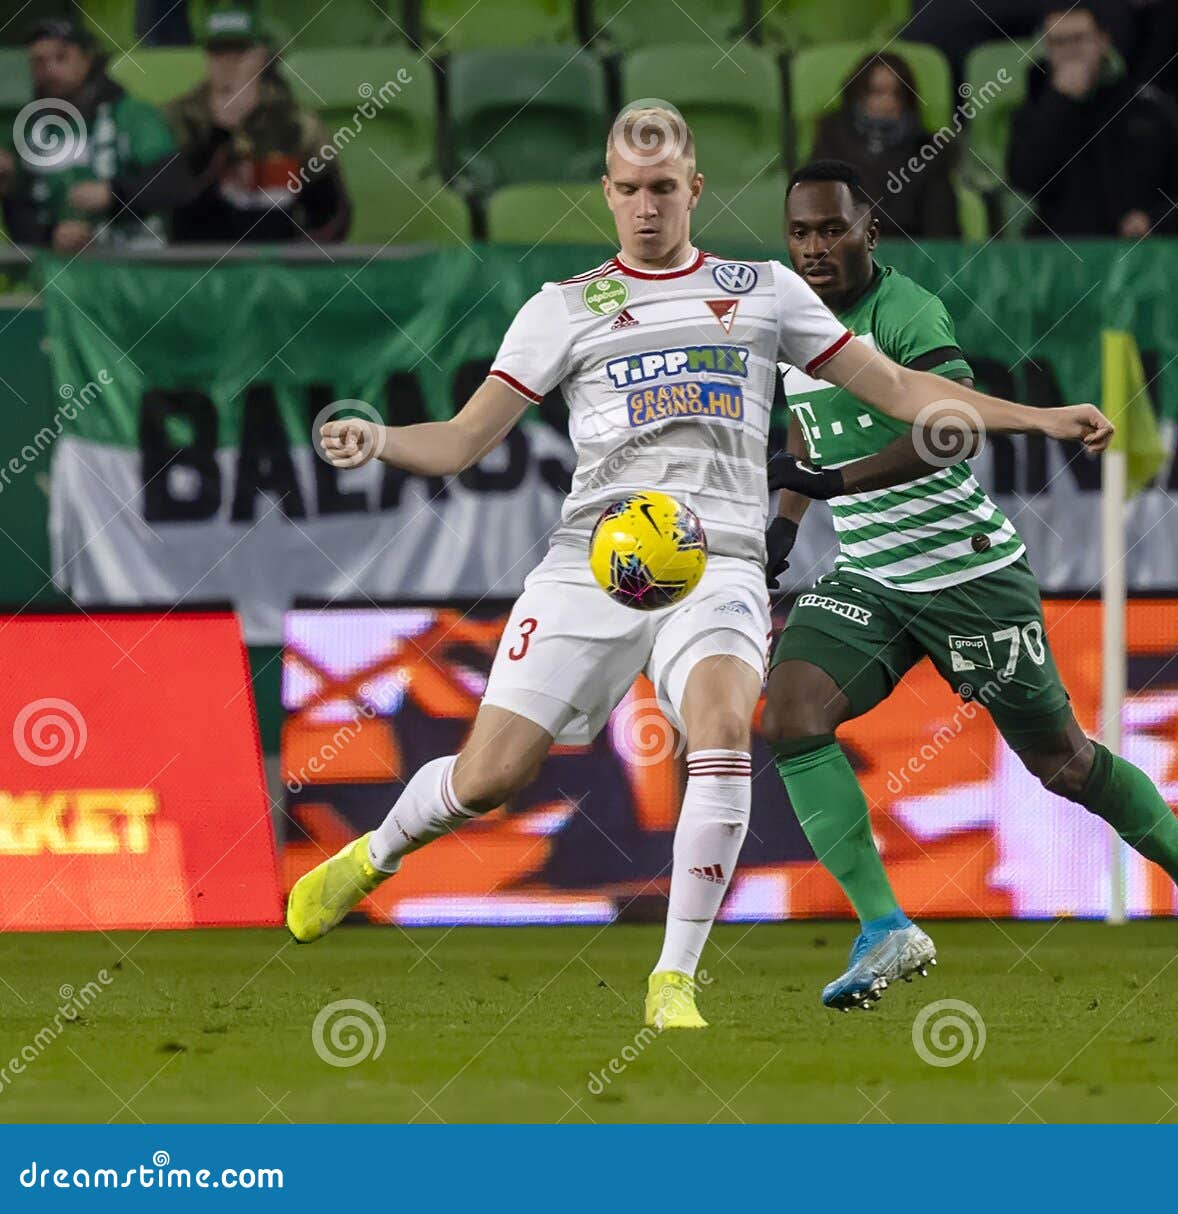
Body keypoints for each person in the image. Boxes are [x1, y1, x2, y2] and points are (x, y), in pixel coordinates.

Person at [286, 107, 1116, 1030]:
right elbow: (459, 442)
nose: (647, 208)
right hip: (591, 564)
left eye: (664, 189)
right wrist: (381, 440)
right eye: (630, 191)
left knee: (722, 728)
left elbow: (901, 388)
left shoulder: (759, 289)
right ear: (606, 192)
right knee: (489, 780)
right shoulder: (561, 308)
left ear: (695, 189)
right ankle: (375, 855)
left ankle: (672, 980)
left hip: (716, 560)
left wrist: (1036, 417)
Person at [761, 160, 1178, 1015]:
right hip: (871, 580)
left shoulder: (905, 312)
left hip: (967, 579)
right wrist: (783, 527)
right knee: (791, 716)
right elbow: (807, 445)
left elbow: (949, 433)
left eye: (832, 229)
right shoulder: (790, 328)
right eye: (801, 232)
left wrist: (837, 490)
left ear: (868, 231)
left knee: (1062, 763)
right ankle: (884, 926)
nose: (815, 247)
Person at [1007, 1, 1178, 239]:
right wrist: (1060, 104)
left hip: (1135, 253)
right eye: (1058, 42)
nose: (1070, 52)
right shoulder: (1035, 108)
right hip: (1060, 252)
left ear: (1103, 42)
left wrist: (1154, 220)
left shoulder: (1148, 107)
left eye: (1079, 39)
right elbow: (1026, 180)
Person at [166, 9, 350, 244]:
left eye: (239, 54)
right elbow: (172, 205)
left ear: (261, 58)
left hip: (278, 269)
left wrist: (298, 262)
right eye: (218, 53)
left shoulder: (295, 123)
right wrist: (220, 132)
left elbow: (334, 214)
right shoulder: (178, 118)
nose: (227, 65)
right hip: (200, 267)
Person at [1, 20, 187, 252]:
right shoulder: (26, 131)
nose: (49, 70)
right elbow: (22, 224)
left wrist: (113, 194)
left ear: (87, 59)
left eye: (61, 58)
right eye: (38, 62)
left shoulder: (131, 113)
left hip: (136, 271)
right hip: (57, 275)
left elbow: (174, 183)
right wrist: (51, 236)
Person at [809, 51, 958, 238]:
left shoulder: (927, 151)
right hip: (843, 255)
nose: (887, 103)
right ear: (859, 95)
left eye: (896, 94)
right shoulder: (830, 141)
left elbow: (941, 232)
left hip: (908, 257)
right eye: (877, 92)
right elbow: (814, 217)